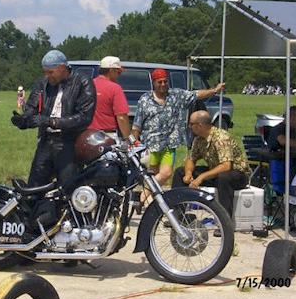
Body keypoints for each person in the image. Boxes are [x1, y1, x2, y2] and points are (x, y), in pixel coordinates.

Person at [11, 49, 95, 226]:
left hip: (69, 144)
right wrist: (23, 120)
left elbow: (84, 117)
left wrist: (52, 122)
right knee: (33, 188)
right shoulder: (43, 83)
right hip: (46, 142)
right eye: (45, 72)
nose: (47, 76)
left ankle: (75, 228)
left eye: (51, 72)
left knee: (69, 189)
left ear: (63, 67)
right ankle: (30, 229)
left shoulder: (83, 82)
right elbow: (31, 110)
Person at [131, 68, 225, 207]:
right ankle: (151, 204)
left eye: (165, 81)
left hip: (169, 144)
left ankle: (142, 196)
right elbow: (137, 124)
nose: (163, 84)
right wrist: (134, 143)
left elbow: (196, 95)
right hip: (150, 145)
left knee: (166, 173)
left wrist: (214, 90)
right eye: (159, 82)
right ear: (154, 83)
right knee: (153, 177)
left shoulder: (176, 95)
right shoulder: (145, 100)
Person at [171, 110, 251, 234]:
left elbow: (226, 166)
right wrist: (188, 173)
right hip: (216, 172)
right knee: (179, 172)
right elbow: (190, 159)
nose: (189, 127)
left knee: (223, 177)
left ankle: (224, 224)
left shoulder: (221, 137)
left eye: (191, 124)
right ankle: (178, 216)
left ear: (200, 125)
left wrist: (201, 177)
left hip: (237, 174)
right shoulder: (199, 139)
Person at [88, 56, 130, 142]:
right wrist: (128, 138)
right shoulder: (115, 88)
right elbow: (121, 117)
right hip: (107, 136)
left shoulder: (88, 85)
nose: (119, 75)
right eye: (118, 72)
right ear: (111, 71)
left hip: (87, 135)